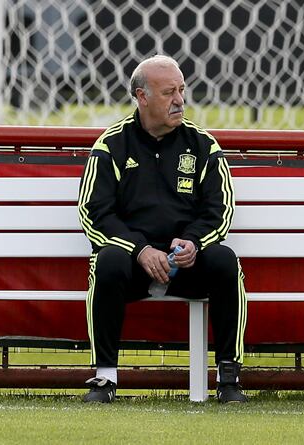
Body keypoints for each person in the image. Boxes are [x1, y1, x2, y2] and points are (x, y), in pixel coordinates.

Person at [77, 55, 247, 404]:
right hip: (133, 264)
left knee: (225, 261)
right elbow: (94, 213)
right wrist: (139, 250)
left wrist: (193, 242)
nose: (180, 100)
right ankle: (104, 378)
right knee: (106, 262)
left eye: (182, 90)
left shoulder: (203, 146)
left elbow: (221, 210)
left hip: (186, 263)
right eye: (169, 92)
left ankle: (229, 378)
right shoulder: (110, 146)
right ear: (142, 97)